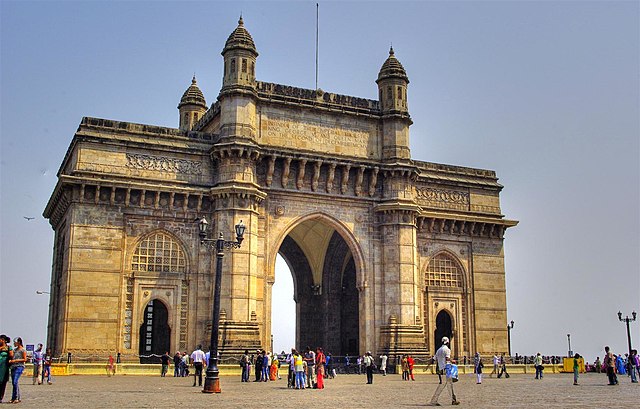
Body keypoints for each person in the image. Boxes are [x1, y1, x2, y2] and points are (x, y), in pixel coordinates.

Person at [429, 337, 460, 406]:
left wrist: (427, 366)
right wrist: (453, 361)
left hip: (441, 370)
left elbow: (433, 359)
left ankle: (453, 400)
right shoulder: (447, 350)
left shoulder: (439, 350)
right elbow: (447, 358)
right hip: (446, 369)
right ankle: (434, 400)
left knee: (449, 385)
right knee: (442, 386)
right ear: (448, 343)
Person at [9, 337, 27, 404]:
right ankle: (15, 397)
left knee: (15, 381)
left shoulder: (23, 350)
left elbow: (25, 359)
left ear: (19, 342)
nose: (14, 343)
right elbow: (11, 356)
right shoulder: (14, 350)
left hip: (19, 367)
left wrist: (16, 360)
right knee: (15, 383)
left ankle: (16, 397)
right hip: (13, 367)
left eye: (15, 342)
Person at [0, 335, 14, 403]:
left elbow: (11, 355)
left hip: (4, 367)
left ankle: (0, 397)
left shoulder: (8, 347)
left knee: (2, 382)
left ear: (3, 340)